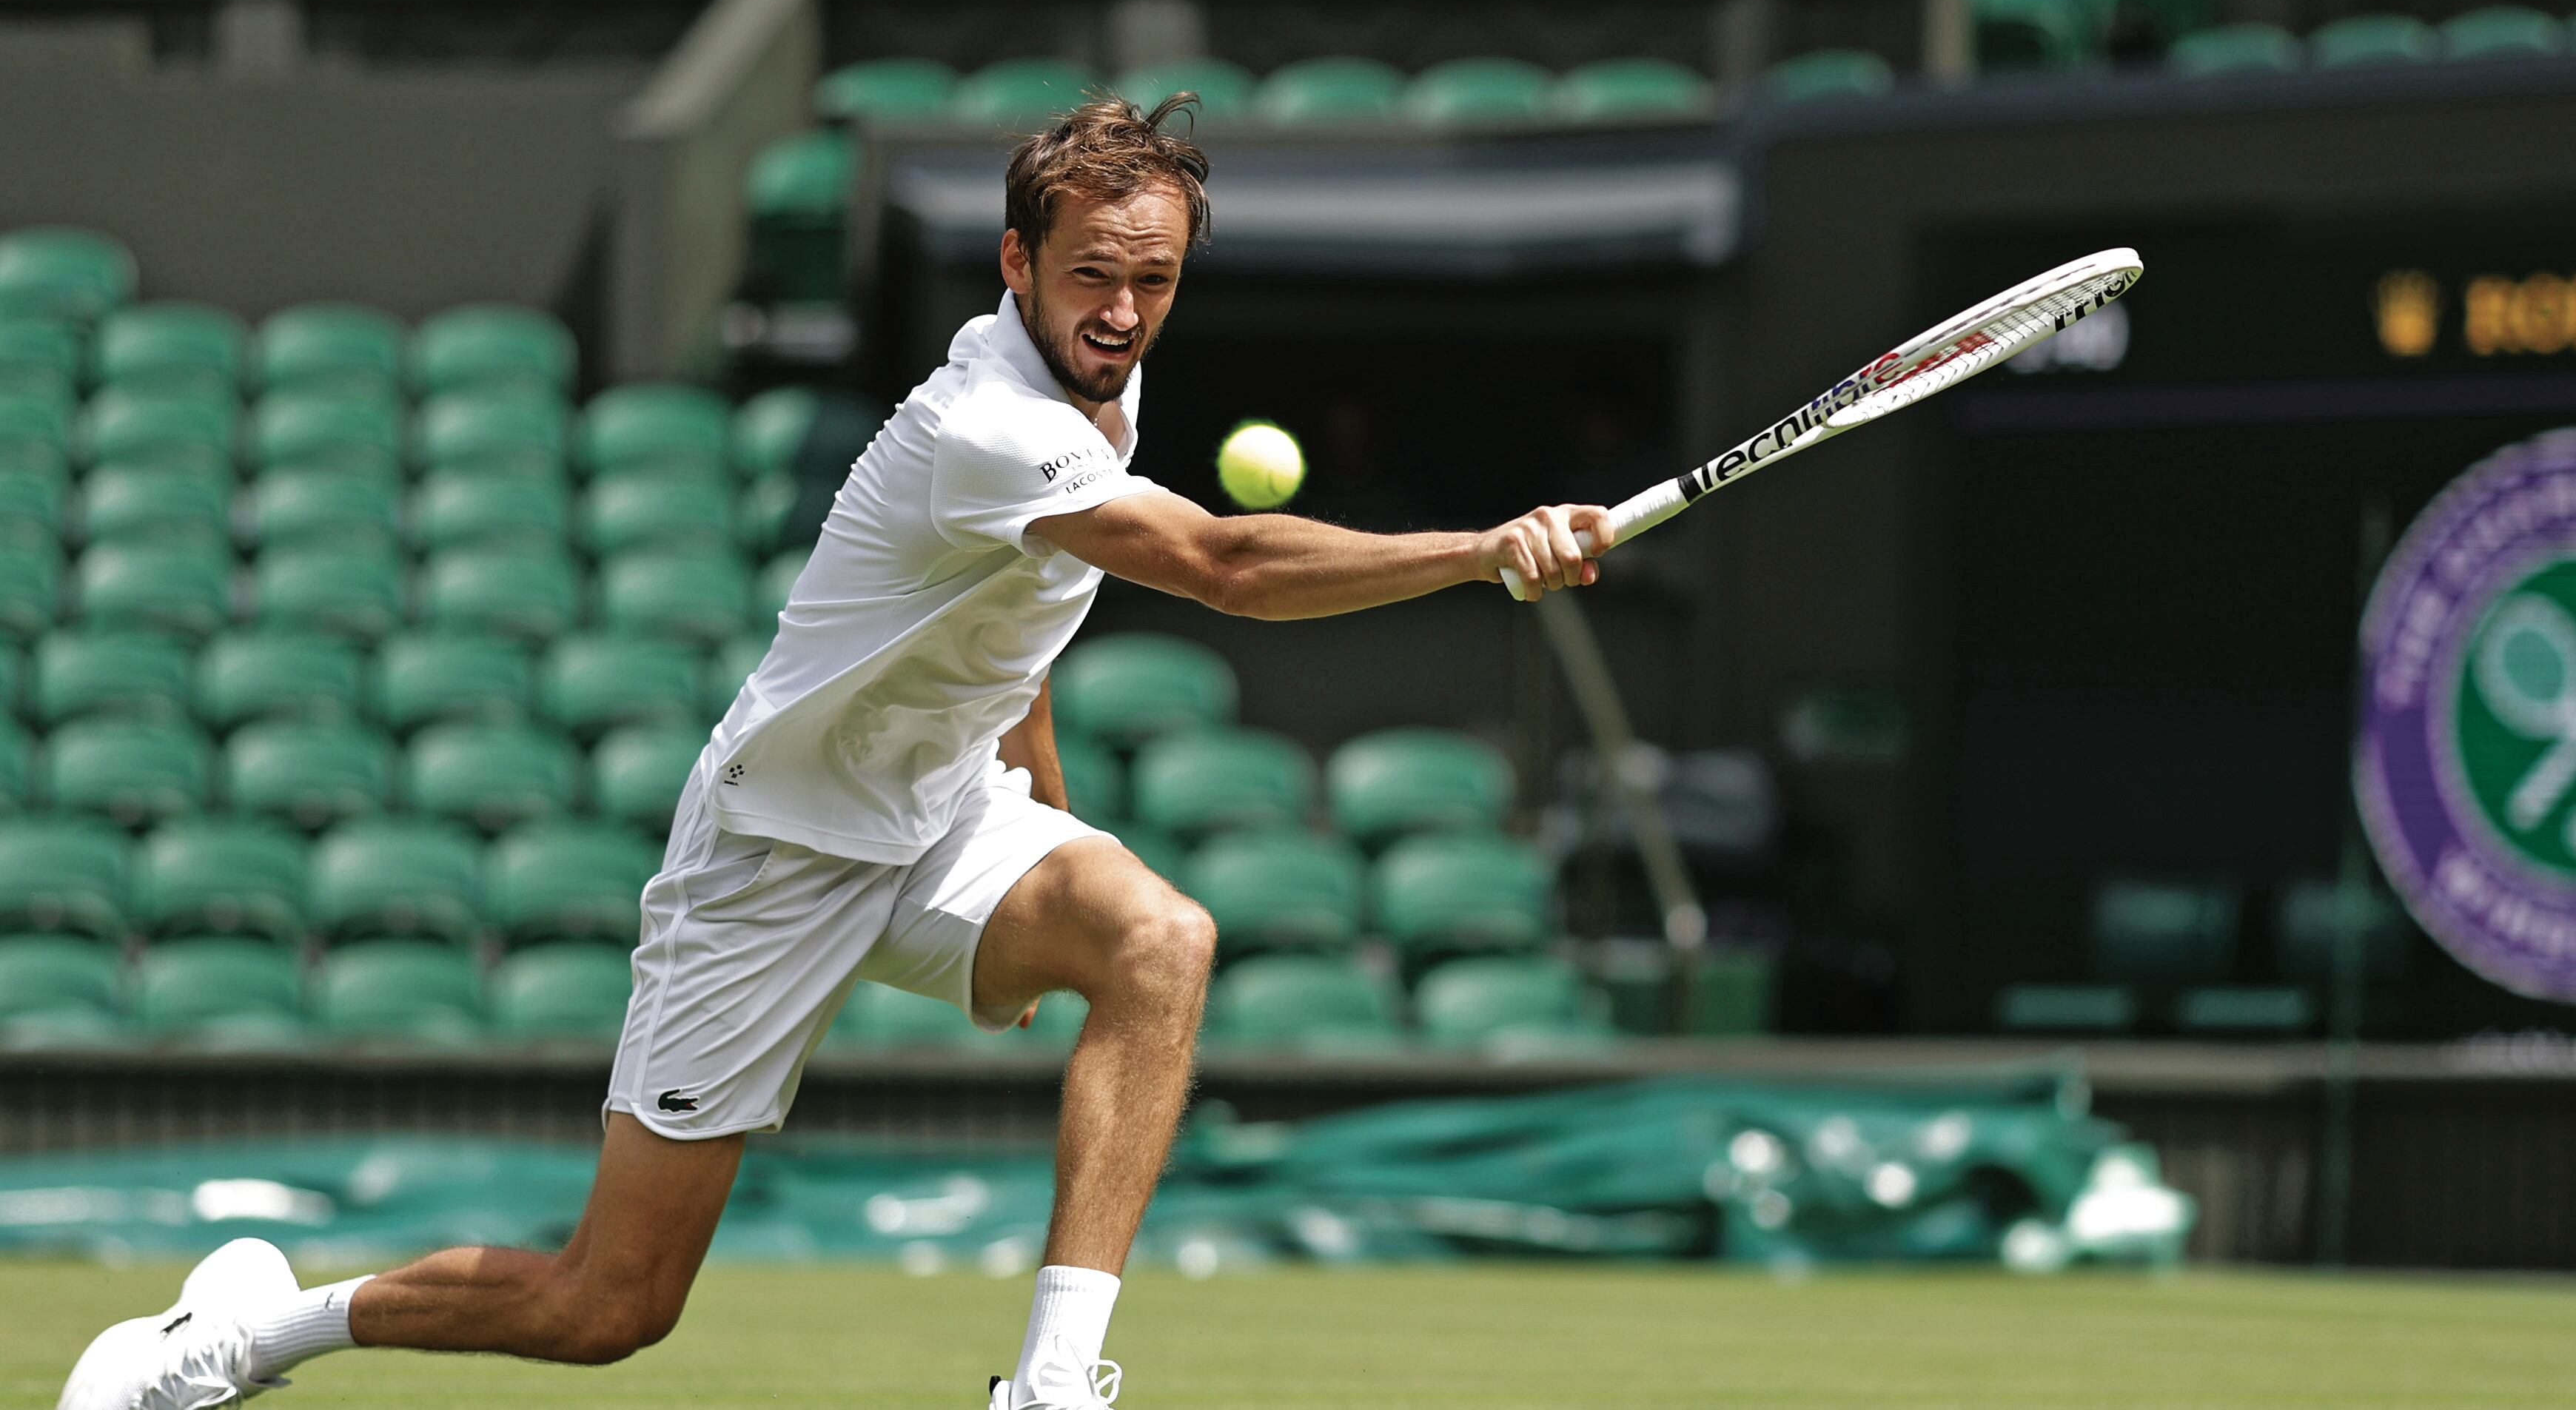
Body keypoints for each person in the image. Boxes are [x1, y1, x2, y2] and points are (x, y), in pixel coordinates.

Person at [58, 92, 1615, 1410]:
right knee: (607, 1311)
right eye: (1090, 277)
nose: (1124, 313)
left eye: (1154, 280)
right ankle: (247, 1333)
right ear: (1017, 263)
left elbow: (1017, 627)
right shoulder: (989, 424)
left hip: (943, 822)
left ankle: (1051, 1386)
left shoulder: (1107, 382)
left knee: (1155, 939)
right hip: (774, 858)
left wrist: (1050, 847)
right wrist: (1485, 549)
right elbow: (1226, 570)